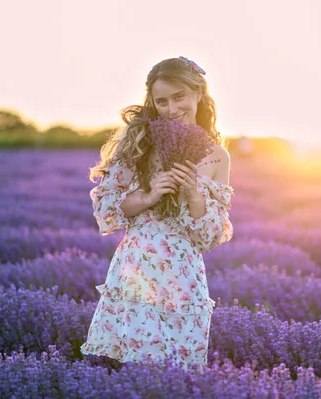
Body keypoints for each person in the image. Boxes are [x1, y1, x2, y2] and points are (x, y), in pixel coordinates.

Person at [80, 56, 234, 372]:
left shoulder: (218, 157)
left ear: (198, 93)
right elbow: (109, 208)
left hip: (185, 277)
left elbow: (209, 237)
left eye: (179, 96)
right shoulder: (140, 143)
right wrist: (150, 195)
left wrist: (193, 194)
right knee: (137, 368)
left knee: (180, 374)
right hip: (138, 270)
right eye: (161, 101)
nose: (171, 108)